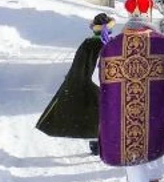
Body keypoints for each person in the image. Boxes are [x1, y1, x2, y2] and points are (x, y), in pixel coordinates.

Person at [93, 0, 164, 182]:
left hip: (123, 107)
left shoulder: (112, 46)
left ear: (128, 14)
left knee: (132, 142)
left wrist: (119, 91)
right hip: (157, 103)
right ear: (149, 14)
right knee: (154, 132)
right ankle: (154, 178)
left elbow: (97, 78)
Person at [36, 13, 115, 155]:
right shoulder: (114, 44)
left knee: (94, 113)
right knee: (109, 112)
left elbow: (78, 66)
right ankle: (108, 142)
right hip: (111, 85)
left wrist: (74, 81)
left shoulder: (88, 44)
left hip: (90, 84)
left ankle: (96, 143)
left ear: (94, 29)